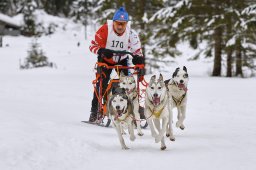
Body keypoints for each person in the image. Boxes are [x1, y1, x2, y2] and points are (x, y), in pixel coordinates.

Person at [88, 7, 145, 122]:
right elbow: (92, 46)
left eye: (123, 24)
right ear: (113, 22)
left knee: (129, 85)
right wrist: (101, 51)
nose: (120, 27)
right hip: (105, 61)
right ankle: (95, 111)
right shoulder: (104, 30)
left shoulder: (131, 34)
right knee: (101, 84)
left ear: (126, 24)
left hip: (122, 60)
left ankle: (133, 110)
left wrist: (139, 61)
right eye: (118, 24)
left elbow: (137, 52)